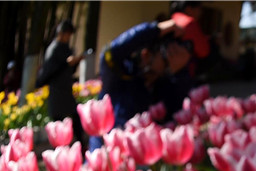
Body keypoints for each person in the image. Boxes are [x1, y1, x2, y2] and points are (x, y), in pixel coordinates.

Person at [90, 19, 192, 150]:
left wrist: (181, 70)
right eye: (166, 55)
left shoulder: (165, 86)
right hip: (104, 155)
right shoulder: (120, 75)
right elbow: (109, 53)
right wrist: (156, 30)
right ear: (146, 55)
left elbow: (177, 115)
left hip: (138, 162)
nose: (173, 56)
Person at [37, 20, 85, 142]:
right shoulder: (53, 49)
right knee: (58, 121)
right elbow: (50, 71)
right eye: (68, 34)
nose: (69, 37)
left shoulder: (65, 47)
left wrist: (75, 61)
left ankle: (80, 145)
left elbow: (70, 69)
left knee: (75, 117)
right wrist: (66, 63)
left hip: (66, 89)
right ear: (61, 33)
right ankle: (61, 149)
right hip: (57, 90)